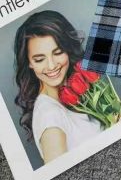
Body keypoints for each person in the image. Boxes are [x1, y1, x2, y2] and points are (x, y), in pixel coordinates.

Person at [14, 10, 104, 164]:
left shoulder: (73, 97)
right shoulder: (50, 116)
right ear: (29, 63)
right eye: (39, 59)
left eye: (58, 52)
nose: (51, 66)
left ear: (68, 50)